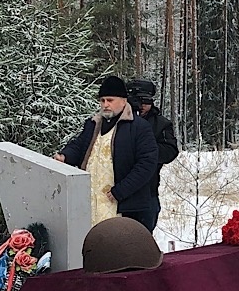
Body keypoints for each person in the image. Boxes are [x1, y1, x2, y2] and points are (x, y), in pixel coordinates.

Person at [55, 76, 159, 230]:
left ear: (124, 101)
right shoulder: (93, 124)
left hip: (123, 205)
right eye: (102, 100)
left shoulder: (139, 127)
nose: (105, 105)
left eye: (110, 100)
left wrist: (121, 191)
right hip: (91, 200)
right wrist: (65, 156)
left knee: (118, 248)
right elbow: (79, 146)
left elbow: (147, 163)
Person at [129, 80, 179, 231]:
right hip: (119, 191)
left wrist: (146, 151)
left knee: (143, 239)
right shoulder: (119, 122)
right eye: (137, 101)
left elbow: (170, 151)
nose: (142, 106)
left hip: (147, 191)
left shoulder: (160, 124)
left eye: (146, 101)